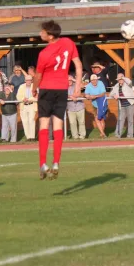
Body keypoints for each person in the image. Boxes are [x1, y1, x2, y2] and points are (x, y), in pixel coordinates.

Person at [33, 20, 82, 180]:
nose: (40, 33)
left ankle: (42, 163)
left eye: (43, 32)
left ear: (50, 35)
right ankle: (55, 163)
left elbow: (38, 75)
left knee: (44, 124)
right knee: (59, 124)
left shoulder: (44, 54)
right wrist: (76, 88)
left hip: (47, 89)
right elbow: (78, 65)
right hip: (61, 89)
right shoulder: (68, 42)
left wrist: (34, 88)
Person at [110, 73, 134, 139]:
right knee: (120, 120)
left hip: (130, 104)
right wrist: (114, 95)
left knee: (130, 120)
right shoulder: (116, 86)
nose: (120, 80)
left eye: (121, 79)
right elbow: (111, 94)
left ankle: (130, 135)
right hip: (122, 105)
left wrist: (123, 78)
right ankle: (117, 135)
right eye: (119, 79)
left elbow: (129, 81)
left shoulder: (127, 84)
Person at [85, 74, 108, 138]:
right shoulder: (89, 86)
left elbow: (103, 93)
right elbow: (86, 94)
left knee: (102, 119)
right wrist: (88, 96)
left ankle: (102, 134)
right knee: (97, 119)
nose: (94, 81)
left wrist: (94, 96)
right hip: (95, 104)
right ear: (90, 81)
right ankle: (103, 133)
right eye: (92, 80)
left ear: (97, 79)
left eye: (95, 80)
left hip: (102, 103)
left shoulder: (100, 83)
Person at [17, 75, 37, 141]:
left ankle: (32, 137)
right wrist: (23, 99)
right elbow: (18, 96)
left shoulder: (35, 86)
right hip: (23, 106)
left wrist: (29, 99)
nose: (28, 81)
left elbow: (37, 97)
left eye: (30, 80)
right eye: (27, 80)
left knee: (32, 121)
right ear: (25, 81)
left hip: (32, 105)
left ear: (31, 80)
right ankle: (28, 137)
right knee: (25, 121)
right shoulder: (21, 86)